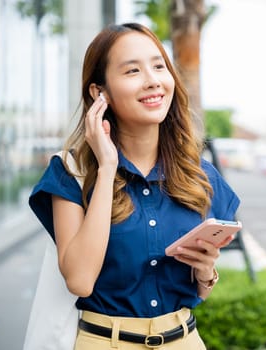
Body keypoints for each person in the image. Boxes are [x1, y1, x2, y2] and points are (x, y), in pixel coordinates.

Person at [29, 22, 240, 349]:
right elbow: (80, 280)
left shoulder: (200, 175)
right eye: (132, 71)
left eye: (159, 66)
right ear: (100, 93)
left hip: (184, 339)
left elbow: (201, 290)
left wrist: (206, 272)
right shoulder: (72, 173)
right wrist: (107, 167)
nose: (153, 80)